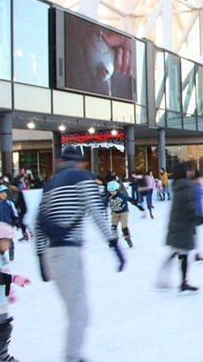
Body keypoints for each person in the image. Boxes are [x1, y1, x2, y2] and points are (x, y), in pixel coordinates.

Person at [35, 146, 125, 362]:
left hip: (53, 253)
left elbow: (38, 222)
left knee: (76, 311)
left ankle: (73, 356)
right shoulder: (81, 178)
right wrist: (113, 244)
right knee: (79, 313)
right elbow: (95, 210)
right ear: (81, 162)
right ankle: (73, 357)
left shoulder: (51, 183)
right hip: (68, 251)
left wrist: (40, 257)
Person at [0, 222, 31, 361]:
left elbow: (3, 278)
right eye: (5, 241)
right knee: (4, 329)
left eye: (9, 241)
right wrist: (14, 278)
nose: (8, 244)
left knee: (3, 329)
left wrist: (9, 293)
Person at [157, 162, 200, 293]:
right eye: (188, 170)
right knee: (182, 253)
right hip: (183, 225)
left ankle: (181, 281)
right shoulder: (186, 186)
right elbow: (189, 207)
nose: (190, 172)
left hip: (178, 224)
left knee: (181, 254)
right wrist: (201, 219)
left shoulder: (177, 185)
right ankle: (179, 281)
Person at [103, 181, 144, 248]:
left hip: (123, 213)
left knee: (124, 228)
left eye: (113, 191)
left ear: (117, 190)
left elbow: (130, 199)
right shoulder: (109, 196)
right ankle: (115, 240)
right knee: (113, 227)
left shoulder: (121, 195)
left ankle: (128, 238)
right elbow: (104, 202)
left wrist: (138, 206)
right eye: (110, 191)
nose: (111, 193)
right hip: (115, 213)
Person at [0, 185, 20, 261]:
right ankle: (1, 254)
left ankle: (11, 253)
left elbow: (14, 213)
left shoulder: (9, 203)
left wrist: (16, 221)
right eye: (2, 193)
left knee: (9, 240)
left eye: (5, 193)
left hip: (8, 225)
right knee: (0, 241)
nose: (4, 195)